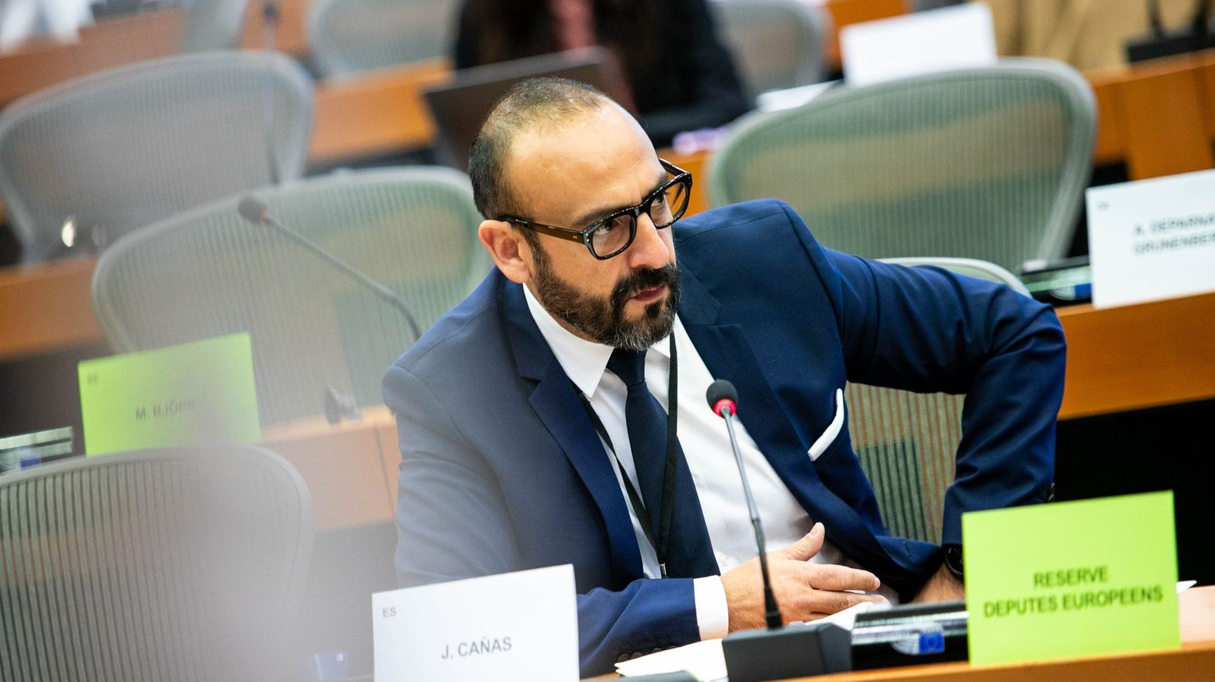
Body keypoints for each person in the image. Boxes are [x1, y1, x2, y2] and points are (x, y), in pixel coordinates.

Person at [382, 78, 1066, 675]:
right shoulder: (453, 390)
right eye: (605, 231)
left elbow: (1016, 333)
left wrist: (972, 567)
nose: (654, 252)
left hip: (861, 658)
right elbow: (442, 633)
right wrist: (716, 604)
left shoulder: (765, 261)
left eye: (657, 202)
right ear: (512, 250)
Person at [452, 0, 752, 147]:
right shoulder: (484, 8)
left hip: (664, 164)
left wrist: (630, 133)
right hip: (545, 185)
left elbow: (728, 103)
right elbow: (469, 132)